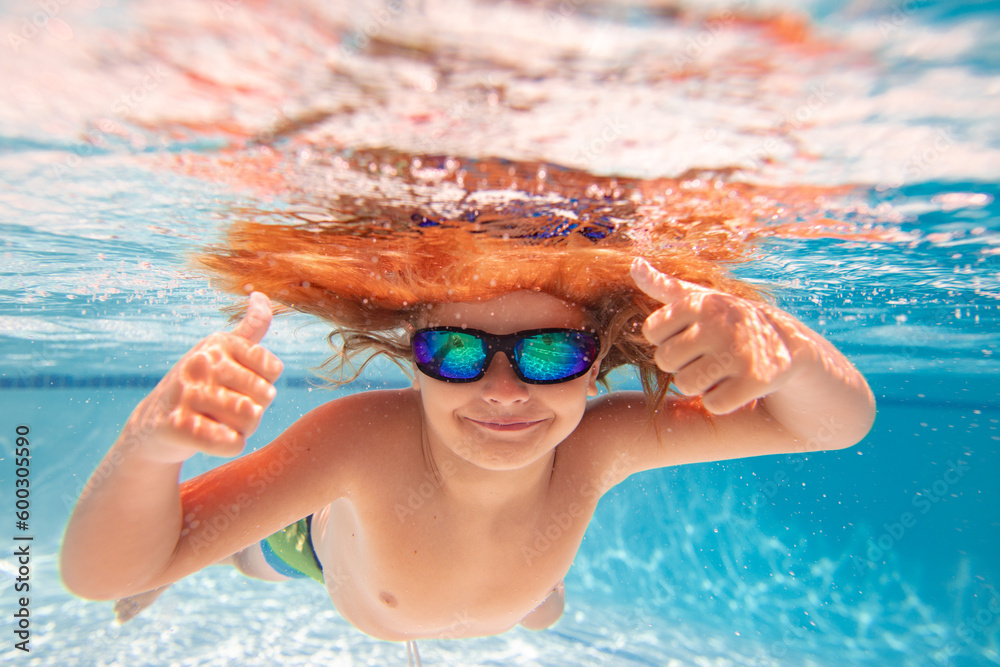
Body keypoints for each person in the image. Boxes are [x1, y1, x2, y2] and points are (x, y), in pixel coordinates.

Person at [59, 156, 876, 655]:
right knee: (243, 554)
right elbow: (99, 577)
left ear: (596, 364)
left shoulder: (600, 441)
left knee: (537, 607)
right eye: (454, 352)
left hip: (510, 589)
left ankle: (528, 594)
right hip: (325, 553)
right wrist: (150, 448)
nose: (504, 390)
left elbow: (835, 425)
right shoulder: (357, 442)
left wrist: (785, 349)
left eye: (550, 353)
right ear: (412, 360)